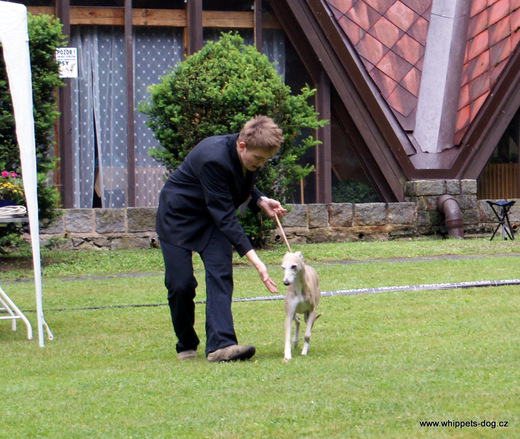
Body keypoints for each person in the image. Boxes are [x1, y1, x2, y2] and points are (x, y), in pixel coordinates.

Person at [156, 115, 287, 362]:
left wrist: (259, 199)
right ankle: (186, 343)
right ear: (242, 145)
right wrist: (257, 262)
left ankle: (221, 345)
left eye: (265, 161)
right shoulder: (212, 158)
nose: (260, 165)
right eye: (258, 159)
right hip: (178, 217)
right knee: (181, 285)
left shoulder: (248, 156)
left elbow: (239, 180)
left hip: (210, 220)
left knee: (220, 274)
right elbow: (226, 216)